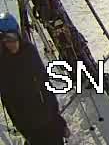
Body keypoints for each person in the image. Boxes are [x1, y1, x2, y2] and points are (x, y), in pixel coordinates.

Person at [0, 15, 66, 145]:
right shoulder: (3, 63)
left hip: (47, 119)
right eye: (5, 40)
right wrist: (24, 130)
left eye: (12, 38)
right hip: (29, 125)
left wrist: (59, 121)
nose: (10, 43)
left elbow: (45, 85)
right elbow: (8, 101)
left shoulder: (29, 52)